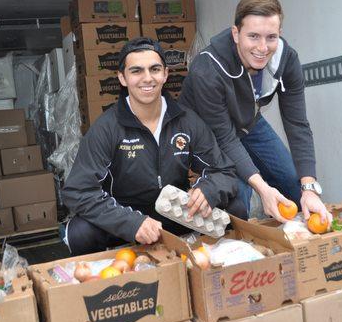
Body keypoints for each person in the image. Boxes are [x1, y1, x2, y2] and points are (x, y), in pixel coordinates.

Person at [62, 37, 243, 255]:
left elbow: (224, 170)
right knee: (80, 233)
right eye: (137, 71)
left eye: (155, 69)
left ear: (165, 74)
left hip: (174, 212)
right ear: (122, 77)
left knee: (235, 208)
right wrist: (130, 222)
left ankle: (213, 273)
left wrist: (208, 189)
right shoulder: (107, 127)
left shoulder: (186, 120)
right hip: (123, 218)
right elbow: (78, 191)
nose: (147, 78)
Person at [178, 0, 332, 223]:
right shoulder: (207, 69)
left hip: (247, 121)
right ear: (235, 34)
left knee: (293, 182)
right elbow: (224, 137)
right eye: (253, 36)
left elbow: (297, 123)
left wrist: (309, 187)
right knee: (241, 196)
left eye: (271, 37)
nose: (262, 47)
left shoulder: (287, 60)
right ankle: (241, 249)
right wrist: (262, 188)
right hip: (206, 131)